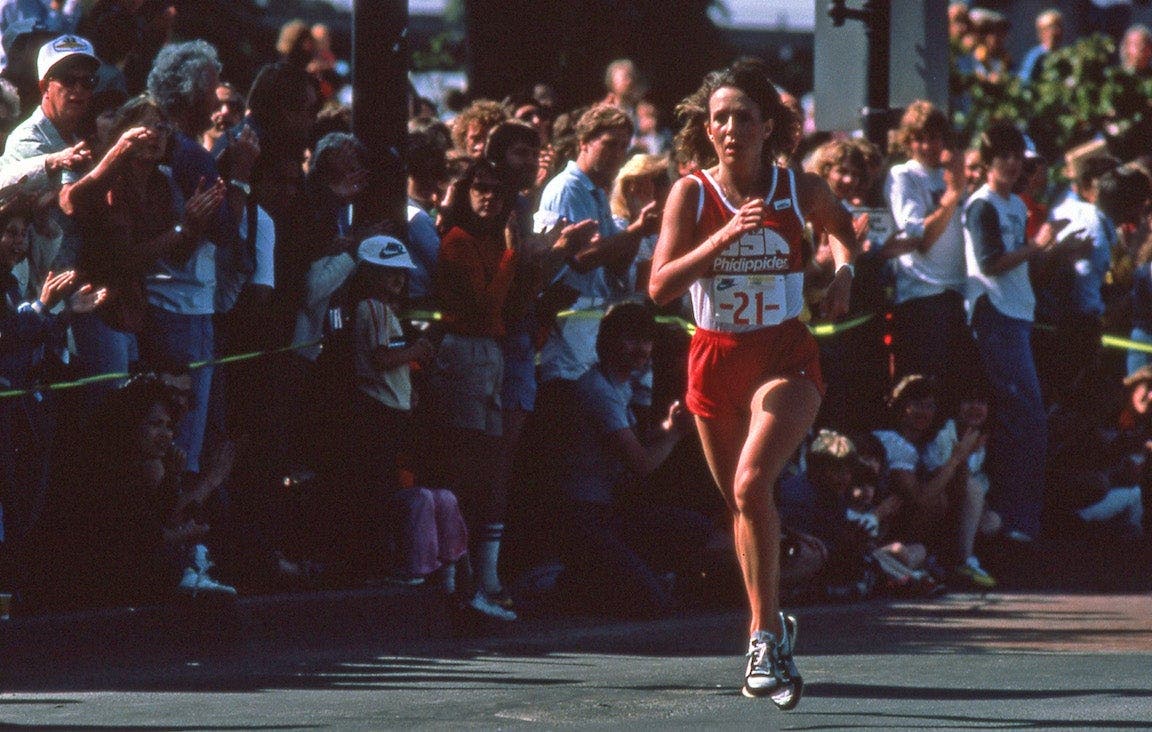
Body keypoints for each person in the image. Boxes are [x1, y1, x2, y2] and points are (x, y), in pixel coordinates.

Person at [648, 58, 857, 707]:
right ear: (706, 131)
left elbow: (845, 232)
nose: (731, 128)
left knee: (750, 482)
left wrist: (844, 269)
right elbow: (659, 288)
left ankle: (762, 637)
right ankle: (770, 621)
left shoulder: (800, 189)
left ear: (770, 125)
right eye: (720, 119)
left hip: (785, 359)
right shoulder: (692, 193)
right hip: (714, 362)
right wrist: (724, 239)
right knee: (741, 503)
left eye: (744, 116)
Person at [962, 122, 1051, 544]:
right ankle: (1016, 521)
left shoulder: (1015, 203)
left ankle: (1017, 518)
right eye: (1005, 156)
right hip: (995, 314)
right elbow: (990, 261)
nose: (1014, 164)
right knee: (1024, 419)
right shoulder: (982, 206)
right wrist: (1038, 246)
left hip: (1018, 314)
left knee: (1025, 421)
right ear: (987, 162)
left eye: (1018, 157)